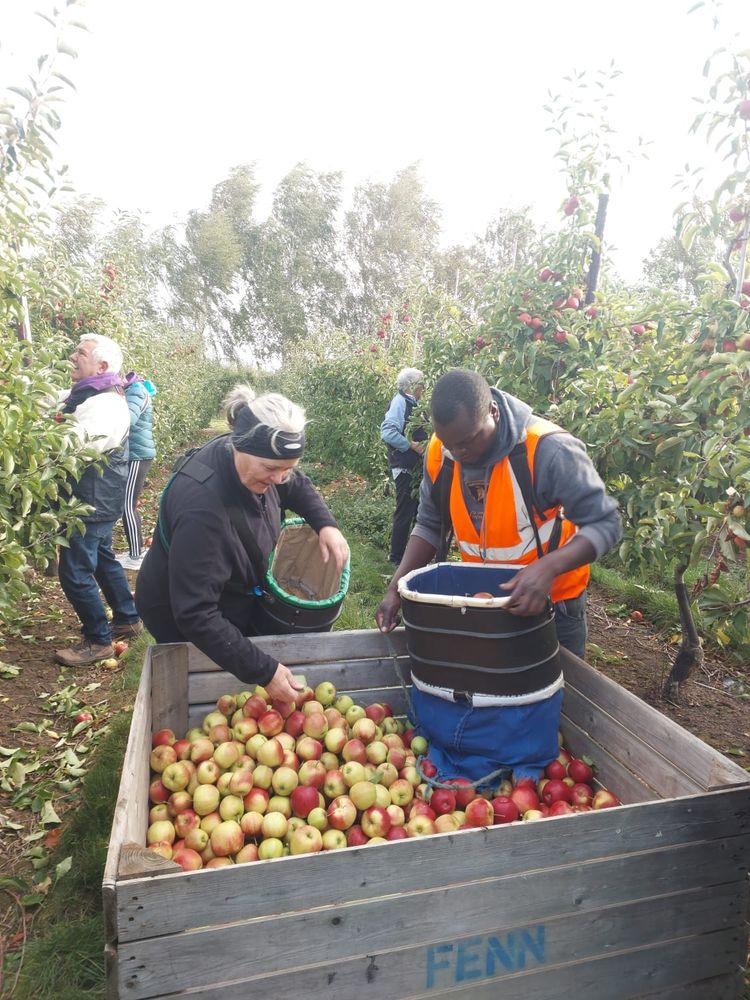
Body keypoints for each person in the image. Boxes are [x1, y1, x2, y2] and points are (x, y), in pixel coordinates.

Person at [376, 368, 621, 782]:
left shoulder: (545, 450)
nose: (460, 452)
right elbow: (428, 523)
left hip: (551, 614)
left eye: (468, 441)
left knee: (547, 730)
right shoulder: (444, 451)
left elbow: (606, 523)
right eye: (450, 443)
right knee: (489, 720)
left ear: (491, 410)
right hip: (484, 616)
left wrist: (548, 567)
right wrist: (397, 585)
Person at [135, 386, 350, 702]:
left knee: (237, 682)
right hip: (178, 610)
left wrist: (326, 524)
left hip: (228, 590)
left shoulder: (256, 460)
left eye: (287, 468)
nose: (280, 479)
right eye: (271, 469)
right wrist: (264, 671)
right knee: (206, 691)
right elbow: (196, 613)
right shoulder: (203, 511)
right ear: (239, 446)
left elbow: (296, 484)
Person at [54, 335, 144, 667]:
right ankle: (128, 618)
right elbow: (57, 400)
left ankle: (98, 640)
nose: (73, 356)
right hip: (99, 497)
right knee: (104, 558)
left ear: (102, 366)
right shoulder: (88, 394)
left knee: (75, 570)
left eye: (81, 353)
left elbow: (73, 447)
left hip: (91, 501)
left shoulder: (106, 405)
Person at [380, 367, 427, 565]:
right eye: (422, 384)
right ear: (413, 385)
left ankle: (409, 557)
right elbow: (388, 432)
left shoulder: (413, 404)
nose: (423, 388)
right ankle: (396, 558)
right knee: (405, 511)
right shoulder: (400, 402)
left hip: (415, 469)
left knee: (416, 510)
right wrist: (413, 445)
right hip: (405, 466)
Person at [116, 372, 157, 570]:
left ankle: (135, 556)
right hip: (136, 454)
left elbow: (128, 419)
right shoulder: (134, 390)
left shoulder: (136, 392)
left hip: (137, 456)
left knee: (127, 506)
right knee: (128, 504)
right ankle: (136, 551)